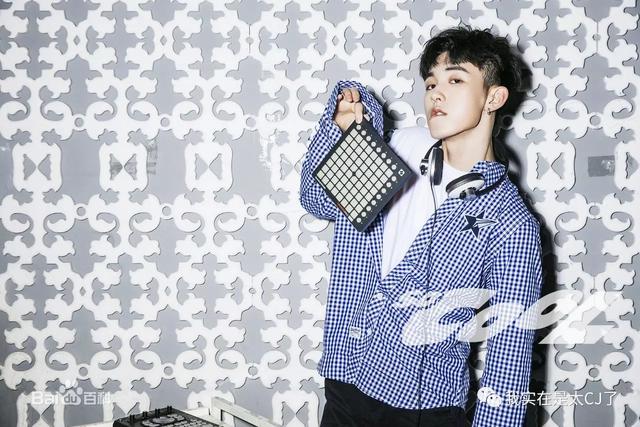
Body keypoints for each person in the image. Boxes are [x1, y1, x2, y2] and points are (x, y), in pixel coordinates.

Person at [299, 25, 542, 427]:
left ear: (494, 97)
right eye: (430, 83)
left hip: (423, 406)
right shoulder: (396, 147)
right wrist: (342, 134)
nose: (436, 94)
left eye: (455, 80)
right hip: (346, 380)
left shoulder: (510, 221)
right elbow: (317, 201)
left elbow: (509, 352)